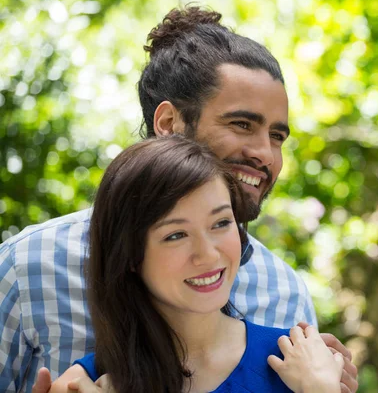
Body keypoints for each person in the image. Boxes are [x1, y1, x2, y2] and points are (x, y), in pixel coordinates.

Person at [0, 6, 358, 393]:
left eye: (277, 136)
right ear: (169, 124)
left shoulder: (284, 292)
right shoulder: (27, 266)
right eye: (242, 124)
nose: (266, 155)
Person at [46, 135, 344, 393]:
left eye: (221, 223)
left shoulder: (300, 365)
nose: (209, 255)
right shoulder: (83, 384)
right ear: (130, 255)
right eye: (176, 234)